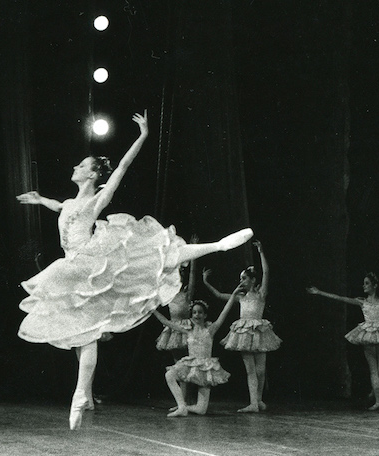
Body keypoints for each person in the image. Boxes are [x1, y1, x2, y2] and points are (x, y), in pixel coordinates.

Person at [16, 111, 254, 429]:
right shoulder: (70, 203)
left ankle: (219, 245)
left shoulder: (97, 199)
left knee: (156, 256)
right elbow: (60, 208)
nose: (75, 167)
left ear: (92, 175)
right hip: (72, 264)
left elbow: (123, 168)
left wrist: (141, 136)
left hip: (90, 261)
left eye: (81, 165)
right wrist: (40, 199)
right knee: (84, 336)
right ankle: (82, 394)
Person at [307, 244, 379, 410]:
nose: (363, 286)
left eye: (366, 283)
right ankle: (378, 400)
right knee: (374, 368)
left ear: (373, 285)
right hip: (368, 333)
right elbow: (340, 298)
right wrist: (319, 292)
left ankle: (375, 393)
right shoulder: (362, 301)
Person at [203, 240, 281, 413]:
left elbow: (267, 272)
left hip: (260, 332)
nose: (241, 282)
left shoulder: (261, 294)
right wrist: (206, 282)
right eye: (240, 279)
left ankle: (258, 400)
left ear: (253, 280)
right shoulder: (240, 298)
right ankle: (253, 403)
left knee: (261, 371)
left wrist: (261, 252)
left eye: (244, 278)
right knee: (250, 370)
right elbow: (218, 295)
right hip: (244, 334)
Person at [152, 289, 241, 417]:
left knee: (201, 410)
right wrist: (152, 309)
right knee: (169, 375)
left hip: (205, 368)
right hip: (191, 364)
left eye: (200, 312)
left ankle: (185, 407)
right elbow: (166, 322)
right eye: (194, 312)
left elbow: (224, 312)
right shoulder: (188, 331)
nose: (196, 315)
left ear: (205, 315)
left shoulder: (211, 329)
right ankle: (182, 406)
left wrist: (233, 295)